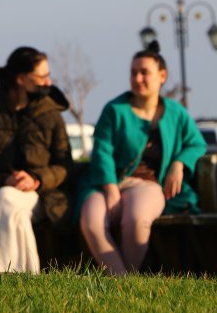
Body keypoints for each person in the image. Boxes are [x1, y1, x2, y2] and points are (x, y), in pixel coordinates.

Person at [77, 41, 206, 276]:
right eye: (133, 73)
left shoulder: (176, 113)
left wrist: (179, 164)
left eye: (144, 73)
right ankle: (121, 280)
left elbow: (197, 144)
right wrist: (111, 189)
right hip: (107, 183)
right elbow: (102, 150)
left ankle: (127, 281)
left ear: (162, 76)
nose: (138, 79)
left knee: (136, 219)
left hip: (149, 185)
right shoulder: (114, 110)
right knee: (91, 221)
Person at [0, 46, 73, 273]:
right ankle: (25, 276)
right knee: (13, 206)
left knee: (8, 200)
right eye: (42, 76)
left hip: (43, 198)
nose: (48, 82)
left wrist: (36, 179)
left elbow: (64, 165)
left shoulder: (52, 114)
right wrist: (5, 180)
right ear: (22, 79)